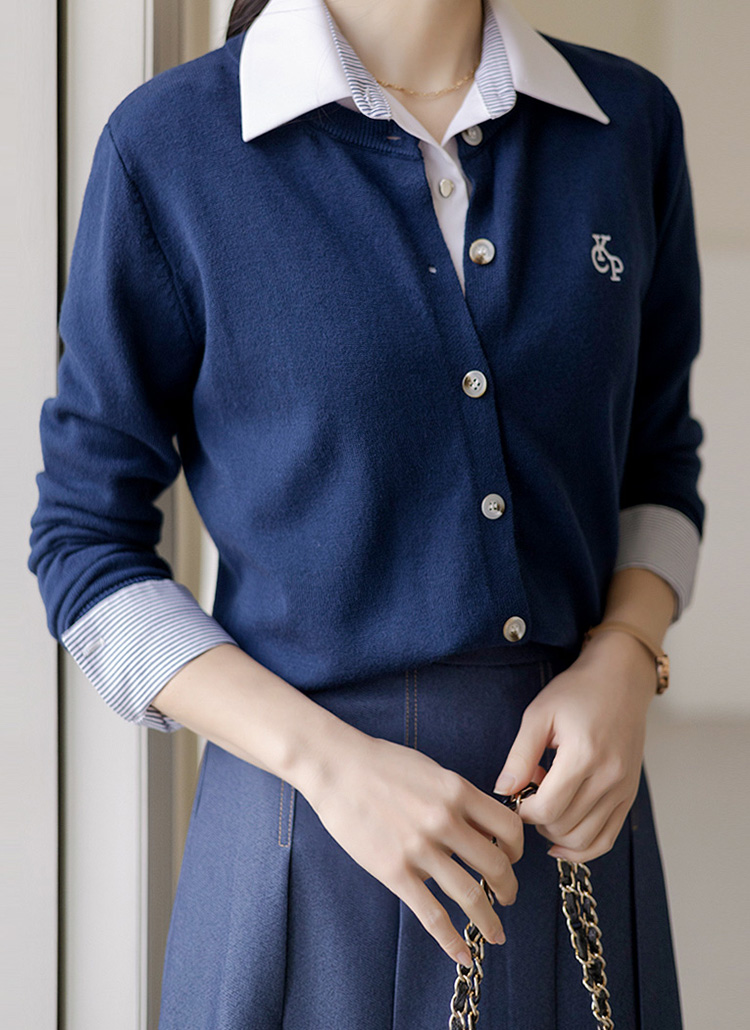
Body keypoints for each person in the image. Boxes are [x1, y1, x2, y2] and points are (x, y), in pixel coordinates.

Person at [28, 0, 705, 1026]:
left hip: (577, 840)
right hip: (305, 847)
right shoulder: (169, 147)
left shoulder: (628, 125)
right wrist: (327, 764)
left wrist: (626, 652)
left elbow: (659, 461)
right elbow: (83, 545)